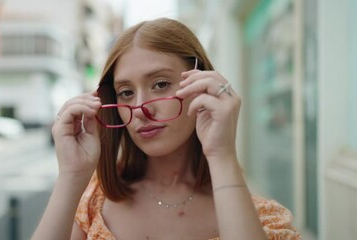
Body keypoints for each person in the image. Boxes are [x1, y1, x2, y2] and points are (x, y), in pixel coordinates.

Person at [32, 18, 301, 240]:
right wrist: (71, 175)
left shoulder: (261, 220)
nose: (140, 108)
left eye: (160, 84)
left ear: (201, 83)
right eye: (125, 92)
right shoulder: (94, 201)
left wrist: (222, 155)